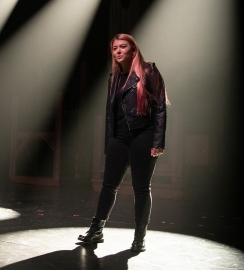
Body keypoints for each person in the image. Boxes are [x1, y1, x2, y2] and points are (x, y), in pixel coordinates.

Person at [78, 34, 169, 252]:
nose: (118, 51)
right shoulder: (114, 77)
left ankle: (139, 237)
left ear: (133, 50)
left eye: (123, 47)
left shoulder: (149, 71)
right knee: (108, 186)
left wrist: (158, 141)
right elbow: (110, 115)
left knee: (141, 188)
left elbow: (160, 109)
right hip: (118, 138)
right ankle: (96, 230)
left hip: (143, 135)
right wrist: (109, 142)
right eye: (114, 48)